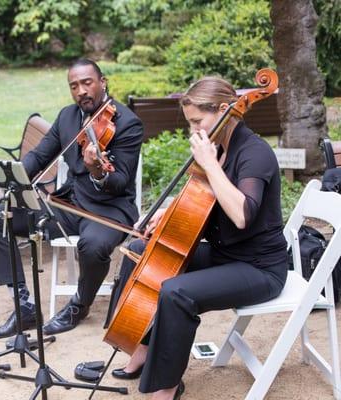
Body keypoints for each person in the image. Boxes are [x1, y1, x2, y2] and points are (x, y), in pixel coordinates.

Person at [107, 76, 288, 400]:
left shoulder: (254, 153)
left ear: (223, 110)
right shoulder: (220, 148)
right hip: (225, 254)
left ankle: (167, 386)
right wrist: (170, 210)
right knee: (141, 251)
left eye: (197, 121)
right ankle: (143, 348)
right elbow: (203, 201)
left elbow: (242, 215)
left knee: (176, 292)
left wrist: (209, 165)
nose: (194, 130)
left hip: (259, 267)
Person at [0, 59, 144, 339]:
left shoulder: (127, 124)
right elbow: (40, 155)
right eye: (74, 86)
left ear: (102, 82)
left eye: (87, 83)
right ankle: (24, 307)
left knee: (92, 245)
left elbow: (119, 182)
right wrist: (17, 176)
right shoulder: (68, 117)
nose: (81, 91)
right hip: (70, 204)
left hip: (110, 210)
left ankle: (79, 305)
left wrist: (96, 169)